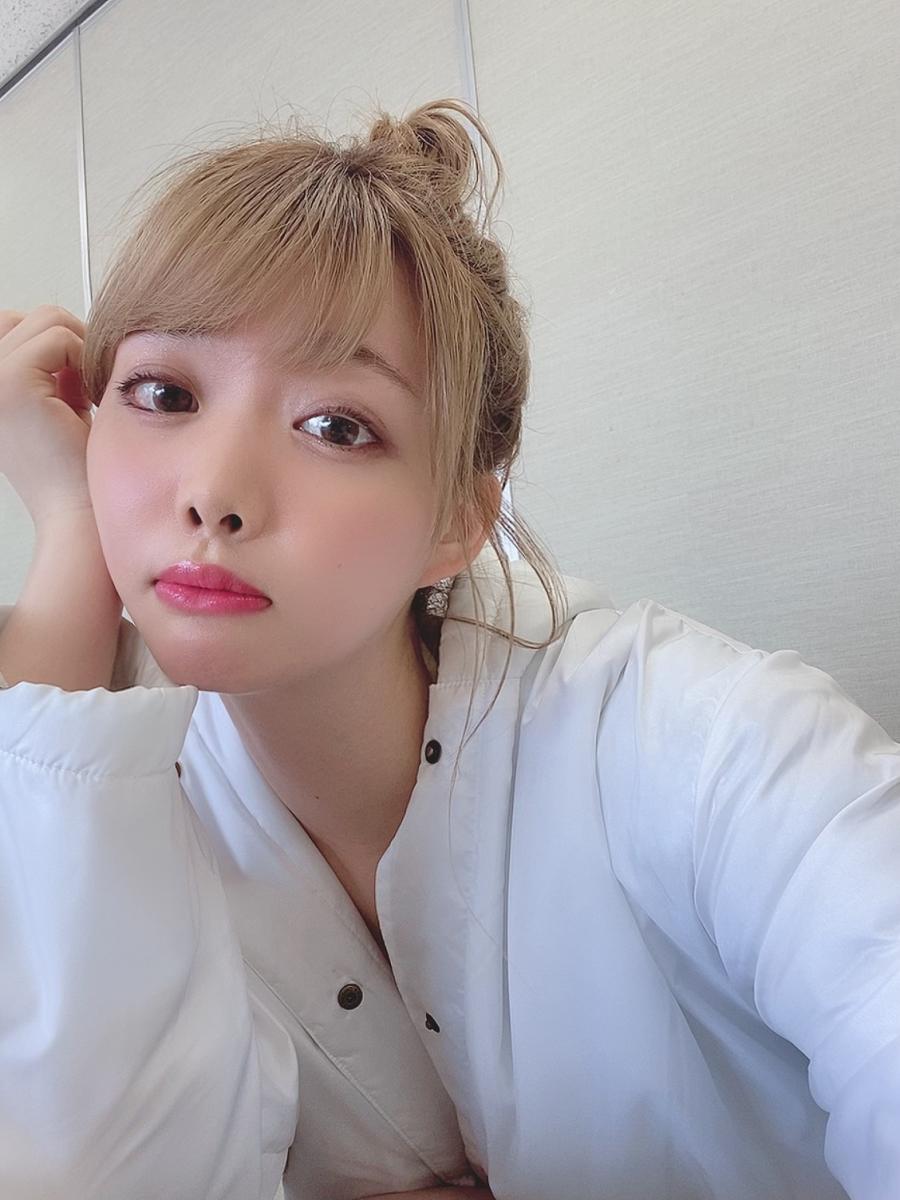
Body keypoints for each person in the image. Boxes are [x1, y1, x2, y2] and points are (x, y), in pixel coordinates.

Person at [0, 97, 897, 1200]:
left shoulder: (696, 742)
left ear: (459, 520)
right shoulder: (136, 792)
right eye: (164, 394)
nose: (214, 492)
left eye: (337, 426)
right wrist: (70, 531)